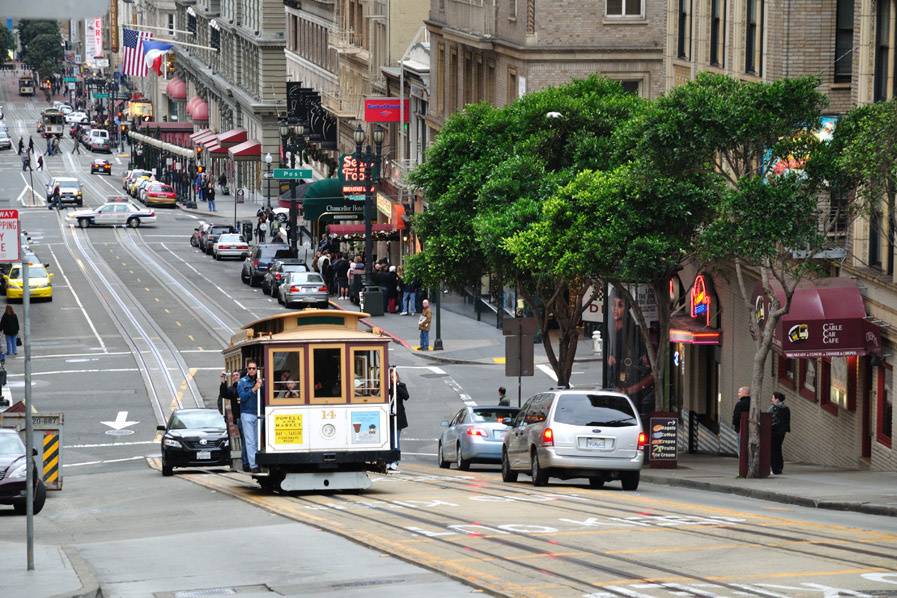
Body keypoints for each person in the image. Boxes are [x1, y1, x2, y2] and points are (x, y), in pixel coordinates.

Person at [236, 361, 263, 473]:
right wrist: (254, 389)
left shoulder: (260, 381)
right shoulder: (242, 382)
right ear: (247, 369)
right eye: (250, 368)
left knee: (257, 441)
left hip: (259, 413)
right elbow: (242, 397)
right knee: (250, 440)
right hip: (247, 413)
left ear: (257, 369)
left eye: (254, 368)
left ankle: (259, 462)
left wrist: (261, 385)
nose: (252, 370)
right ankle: (253, 465)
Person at [389, 369, 409, 471]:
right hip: (389, 417)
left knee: (395, 439)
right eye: (391, 377)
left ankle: (395, 461)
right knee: (390, 440)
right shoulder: (388, 387)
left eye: (395, 376)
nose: (393, 379)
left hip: (399, 417)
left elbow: (406, 396)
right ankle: (389, 460)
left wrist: (397, 386)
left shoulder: (401, 385)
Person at [770, 391, 791, 475]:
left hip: (774, 431)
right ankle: (779, 467)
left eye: (773, 398)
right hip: (782, 432)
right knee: (778, 449)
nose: (771, 399)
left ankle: (775, 468)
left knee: (773, 450)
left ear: (777, 399)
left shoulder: (775, 408)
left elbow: (772, 420)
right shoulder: (786, 408)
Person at [731, 386, 751, 452]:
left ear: (744, 393)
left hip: (741, 429)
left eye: (739, 392)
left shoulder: (739, 404)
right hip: (752, 430)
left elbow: (736, 418)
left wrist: (734, 424)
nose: (738, 394)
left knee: (741, 450)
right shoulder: (753, 403)